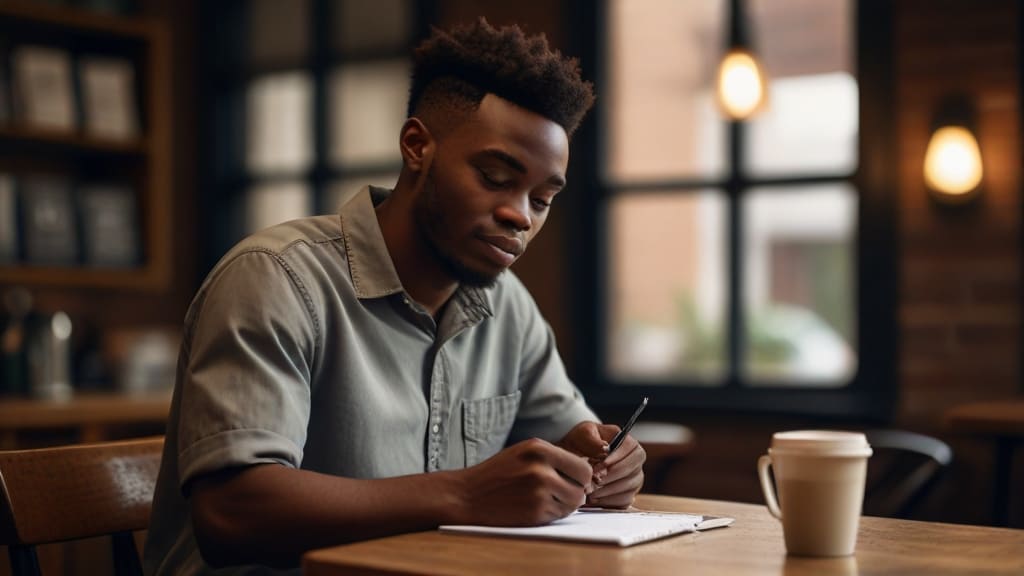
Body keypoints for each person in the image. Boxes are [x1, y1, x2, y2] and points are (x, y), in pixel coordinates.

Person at [144, 18, 645, 575]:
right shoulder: (274, 280)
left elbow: (570, 442)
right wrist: (467, 494)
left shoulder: (508, 308)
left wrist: (599, 463)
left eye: (542, 199)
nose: (520, 217)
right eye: (495, 177)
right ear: (416, 147)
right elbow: (233, 513)